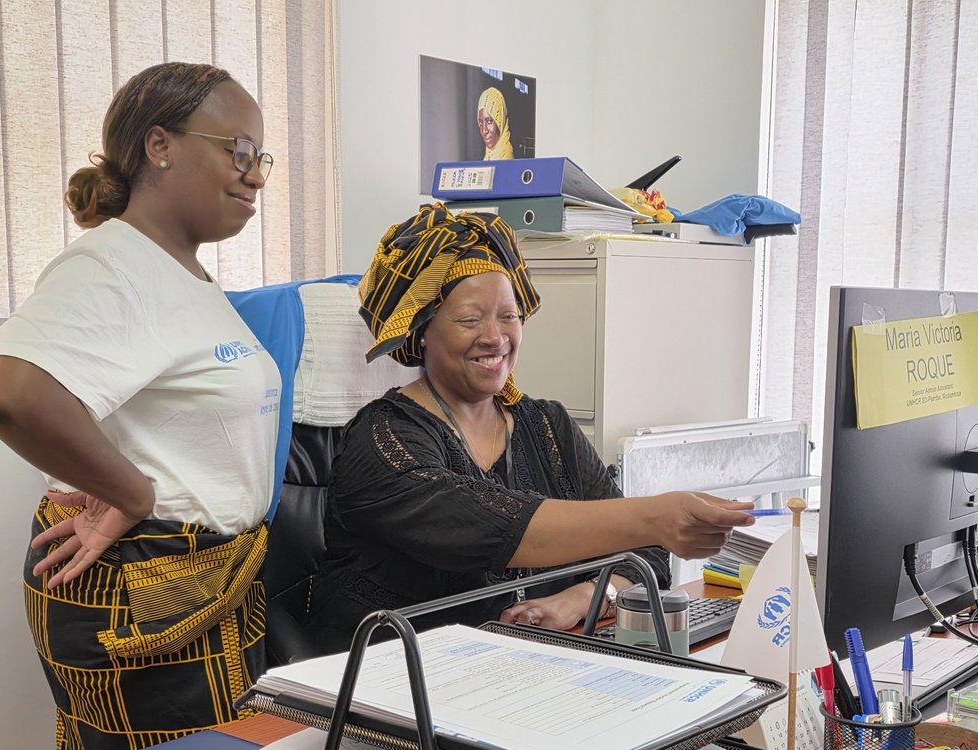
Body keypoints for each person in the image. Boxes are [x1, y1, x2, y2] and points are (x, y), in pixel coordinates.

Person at [0, 62, 279, 750]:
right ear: (159, 145)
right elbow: (11, 391)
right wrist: (131, 491)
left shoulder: (181, 272)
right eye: (237, 151)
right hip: (148, 594)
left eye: (259, 157)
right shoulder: (113, 265)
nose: (255, 175)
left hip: (202, 587)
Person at [302, 204, 753, 651]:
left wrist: (582, 598)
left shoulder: (548, 425)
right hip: (389, 681)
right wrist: (654, 515)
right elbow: (484, 527)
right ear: (422, 330)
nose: (495, 337)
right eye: (469, 319)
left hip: (525, 669)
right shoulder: (382, 440)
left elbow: (646, 555)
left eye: (508, 315)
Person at [477, 86, 514, 160]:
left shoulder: (506, 156)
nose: (484, 131)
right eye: (481, 123)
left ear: (500, 121)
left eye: (489, 122)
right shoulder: (489, 154)